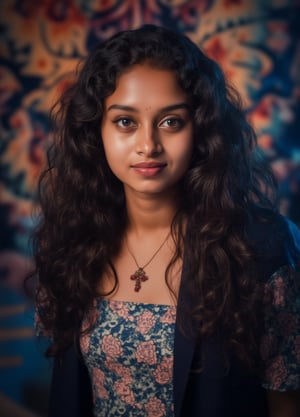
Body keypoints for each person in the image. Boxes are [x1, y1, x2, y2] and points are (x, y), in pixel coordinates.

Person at [32, 24, 300, 417]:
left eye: (170, 121)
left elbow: (287, 403)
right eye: (125, 122)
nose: (148, 145)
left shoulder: (261, 248)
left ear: (202, 129)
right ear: (96, 131)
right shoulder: (70, 239)